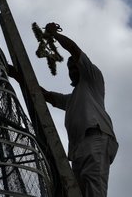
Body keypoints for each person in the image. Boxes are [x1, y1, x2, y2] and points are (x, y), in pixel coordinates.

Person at [40, 22, 118, 197]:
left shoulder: (92, 79)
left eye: (75, 67)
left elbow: (74, 49)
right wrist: (17, 75)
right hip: (78, 150)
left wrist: (54, 35)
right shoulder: (72, 99)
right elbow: (45, 95)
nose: (73, 71)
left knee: (93, 185)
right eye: (70, 69)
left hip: (95, 137)